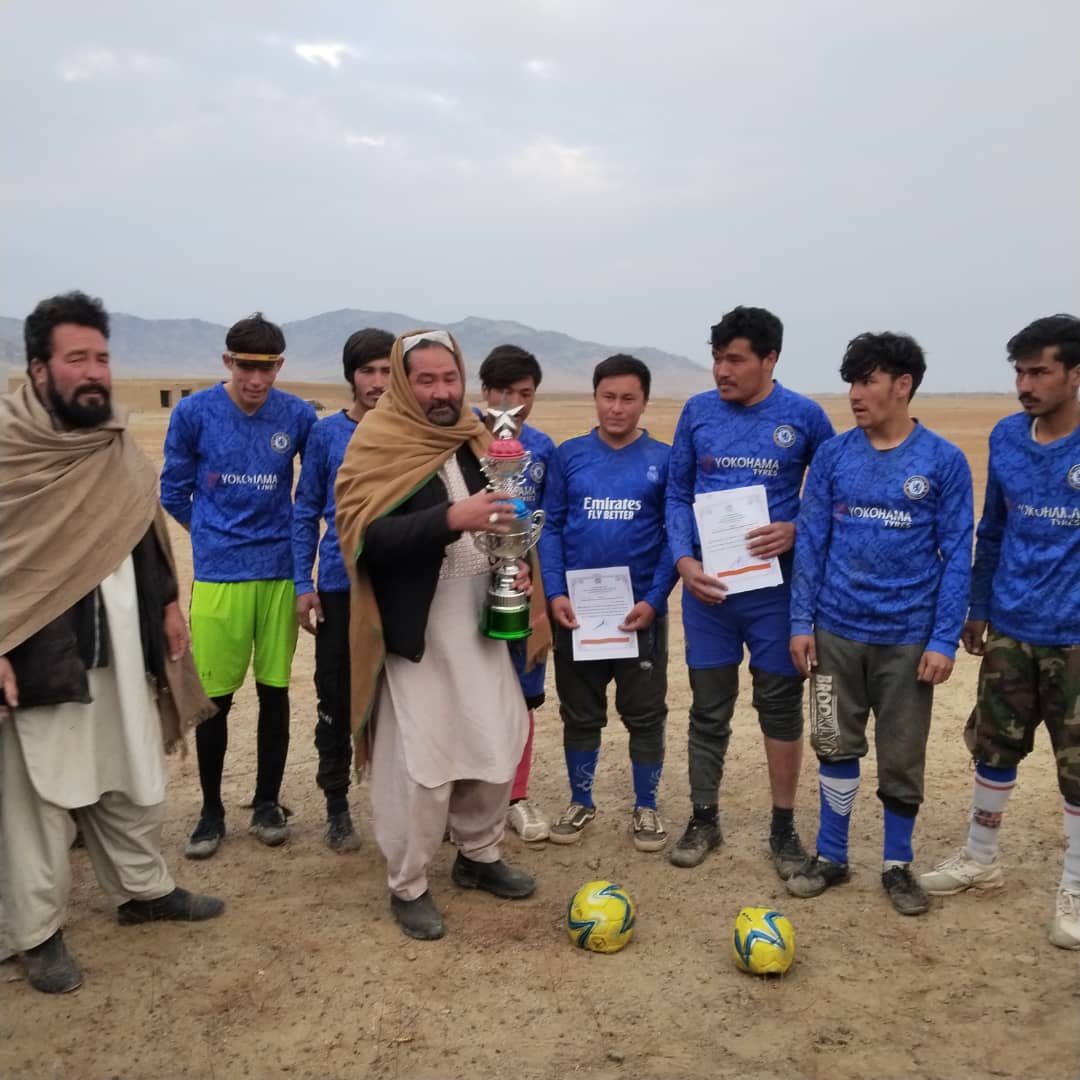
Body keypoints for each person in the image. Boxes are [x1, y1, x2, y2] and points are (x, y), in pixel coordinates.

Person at [0, 291, 223, 995]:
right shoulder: (9, 451)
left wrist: (164, 603)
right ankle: (33, 932)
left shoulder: (112, 440)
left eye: (101, 356)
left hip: (122, 643)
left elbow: (137, 522)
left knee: (126, 772)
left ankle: (143, 891)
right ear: (38, 368)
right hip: (36, 652)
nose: (94, 371)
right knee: (30, 799)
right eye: (77, 358)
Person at [335, 329, 549, 941]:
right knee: (422, 766)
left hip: (481, 624)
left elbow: (501, 512)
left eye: (448, 378)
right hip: (415, 632)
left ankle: (479, 856)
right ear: (405, 384)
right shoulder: (378, 442)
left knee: (495, 742)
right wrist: (450, 519)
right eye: (425, 380)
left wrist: (516, 565)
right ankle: (409, 883)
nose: (440, 391)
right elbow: (364, 540)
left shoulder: (474, 437)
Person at [784, 332, 973, 914]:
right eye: (851, 381)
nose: (855, 394)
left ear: (903, 385)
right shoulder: (836, 456)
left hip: (908, 639)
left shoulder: (942, 461)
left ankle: (897, 865)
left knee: (901, 754)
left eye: (867, 381)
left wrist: (943, 638)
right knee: (832, 741)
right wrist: (801, 620)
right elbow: (812, 542)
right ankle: (832, 855)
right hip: (835, 634)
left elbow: (956, 553)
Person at [920, 314, 1080, 948]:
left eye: (1039, 371)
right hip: (1012, 625)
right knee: (992, 748)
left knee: (1078, 769)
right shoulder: (1008, 437)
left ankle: (1074, 886)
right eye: (1019, 371)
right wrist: (978, 606)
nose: (1025, 384)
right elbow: (992, 531)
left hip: (1075, 637)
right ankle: (980, 857)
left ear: (1075, 373)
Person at [665, 306, 835, 875]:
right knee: (708, 710)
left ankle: (783, 828)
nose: (721, 371)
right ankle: (704, 818)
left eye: (734, 360)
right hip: (708, 595)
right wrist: (685, 561)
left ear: (770, 359)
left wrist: (796, 528)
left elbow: (831, 493)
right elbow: (676, 494)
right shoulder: (697, 412)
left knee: (779, 709)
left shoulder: (805, 417)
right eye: (716, 359)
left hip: (775, 596)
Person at [161, 313, 316, 857]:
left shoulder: (296, 414)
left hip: (278, 573)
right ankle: (210, 812)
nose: (257, 380)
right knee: (217, 700)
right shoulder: (193, 412)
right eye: (247, 367)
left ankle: (268, 802)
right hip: (221, 576)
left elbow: (313, 488)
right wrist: (210, 535)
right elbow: (173, 490)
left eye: (268, 368)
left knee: (275, 693)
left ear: (279, 366)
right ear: (228, 361)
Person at [538, 354, 678, 851]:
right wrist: (554, 592)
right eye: (608, 397)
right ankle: (581, 801)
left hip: (637, 615)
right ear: (595, 397)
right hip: (576, 614)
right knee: (579, 713)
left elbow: (672, 536)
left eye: (628, 399)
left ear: (644, 402)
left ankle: (646, 807)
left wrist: (656, 599)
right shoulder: (569, 455)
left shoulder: (663, 458)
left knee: (644, 714)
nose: (616, 408)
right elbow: (549, 527)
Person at [293, 328, 394, 851]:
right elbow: (306, 509)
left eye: (385, 370)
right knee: (334, 695)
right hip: (337, 583)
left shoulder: (411, 432)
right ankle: (336, 802)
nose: (377, 382)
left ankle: (408, 802)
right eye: (367, 371)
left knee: (400, 698)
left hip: (399, 584)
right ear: (351, 376)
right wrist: (301, 583)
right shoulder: (328, 435)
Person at [476, 344, 556, 842]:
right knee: (465, 692)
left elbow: (547, 525)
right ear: (485, 392)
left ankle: (517, 796)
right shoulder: (458, 439)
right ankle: (465, 798)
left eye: (525, 394)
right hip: (461, 583)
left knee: (523, 695)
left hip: (523, 585)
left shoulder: (543, 448)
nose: (515, 403)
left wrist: (535, 581)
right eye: (505, 392)